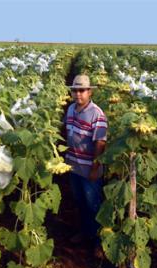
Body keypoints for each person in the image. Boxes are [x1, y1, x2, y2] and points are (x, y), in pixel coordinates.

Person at [64, 75, 107, 255]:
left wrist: (95, 168)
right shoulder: (71, 109)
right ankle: (85, 232)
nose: (78, 94)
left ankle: (98, 242)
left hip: (89, 168)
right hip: (73, 165)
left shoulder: (97, 114)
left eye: (82, 90)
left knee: (93, 205)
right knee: (80, 202)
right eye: (75, 90)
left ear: (89, 92)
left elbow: (100, 143)